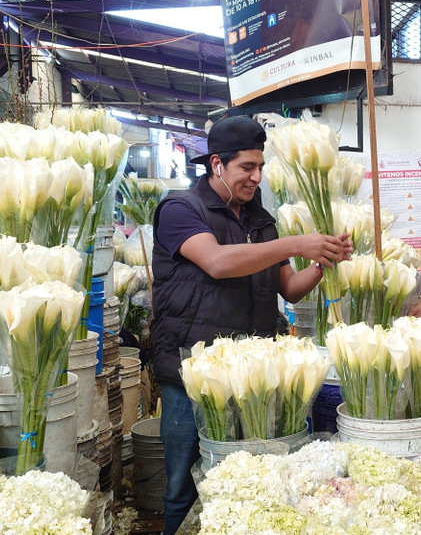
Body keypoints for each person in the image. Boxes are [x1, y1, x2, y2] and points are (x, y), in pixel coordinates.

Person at [150, 116, 352, 533]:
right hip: (193, 378)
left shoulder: (261, 221)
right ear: (217, 164)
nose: (257, 177)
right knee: (183, 489)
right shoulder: (181, 209)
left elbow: (289, 289)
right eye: (247, 167)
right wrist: (295, 242)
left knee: (252, 486)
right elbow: (217, 261)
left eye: (260, 167)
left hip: (253, 378)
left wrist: (322, 261)